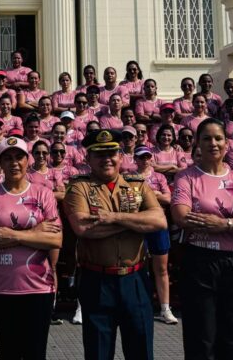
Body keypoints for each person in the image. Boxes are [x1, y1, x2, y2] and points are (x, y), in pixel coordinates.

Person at [171, 118, 233, 360]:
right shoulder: (186, 178)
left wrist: (226, 223)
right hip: (200, 263)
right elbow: (182, 217)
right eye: (206, 138)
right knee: (201, 339)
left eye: (218, 138)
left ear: (227, 144)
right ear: (197, 143)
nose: (213, 143)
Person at [63, 128, 166, 360]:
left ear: (121, 156)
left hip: (135, 279)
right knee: (98, 352)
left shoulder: (137, 185)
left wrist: (114, 218)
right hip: (97, 281)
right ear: (88, 158)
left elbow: (159, 221)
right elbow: (84, 228)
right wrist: (136, 222)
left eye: (112, 153)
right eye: (99, 154)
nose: (106, 159)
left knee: (141, 350)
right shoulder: (79, 187)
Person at [0, 137, 62, 359]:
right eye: (8, 158)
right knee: (9, 353)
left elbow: (55, 240)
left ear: (28, 161)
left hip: (38, 287)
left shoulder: (43, 193)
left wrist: (11, 234)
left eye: (19, 157)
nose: (14, 163)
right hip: (1, 285)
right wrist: (36, 233)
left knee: (35, 353)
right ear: (0, 163)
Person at [132, 146, 179, 325]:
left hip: (158, 223)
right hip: (138, 224)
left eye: (147, 157)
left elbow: (168, 198)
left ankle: (165, 308)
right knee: (138, 267)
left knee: (161, 268)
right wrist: (155, 194)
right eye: (140, 158)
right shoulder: (129, 177)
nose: (144, 160)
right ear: (135, 160)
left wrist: (148, 194)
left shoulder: (159, 177)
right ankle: (140, 305)